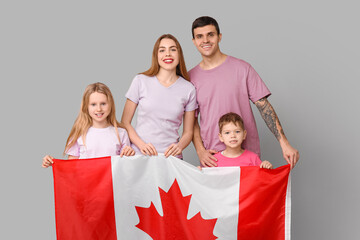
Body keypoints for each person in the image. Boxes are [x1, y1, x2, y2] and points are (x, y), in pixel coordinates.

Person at [189, 16, 299, 168]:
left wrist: (284, 143)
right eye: (199, 36)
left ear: (219, 37)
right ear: (194, 41)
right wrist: (200, 151)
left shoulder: (242, 68)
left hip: (247, 156)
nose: (205, 40)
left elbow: (264, 106)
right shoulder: (190, 79)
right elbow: (191, 120)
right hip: (214, 158)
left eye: (211, 34)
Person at [121, 34, 197, 159]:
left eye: (173, 49)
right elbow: (125, 122)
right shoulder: (140, 81)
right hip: (140, 155)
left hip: (170, 158)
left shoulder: (189, 89)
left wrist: (179, 147)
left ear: (179, 54)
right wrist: (142, 145)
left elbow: (188, 132)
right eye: (162, 50)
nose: (167, 54)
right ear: (156, 55)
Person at [42, 82, 134, 167]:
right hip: (86, 184)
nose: (99, 109)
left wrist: (129, 153)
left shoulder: (121, 133)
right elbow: (71, 167)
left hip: (111, 183)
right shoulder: (79, 133)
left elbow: (125, 167)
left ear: (110, 105)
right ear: (86, 107)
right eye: (93, 104)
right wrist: (53, 163)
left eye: (103, 104)